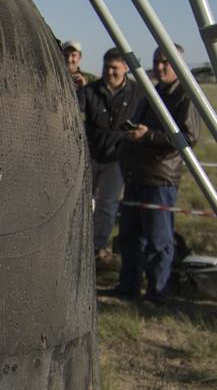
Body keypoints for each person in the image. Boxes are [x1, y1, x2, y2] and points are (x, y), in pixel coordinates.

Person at [109, 46, 200, 303]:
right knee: (129, 237)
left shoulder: (186, 95)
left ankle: (157, 292)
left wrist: (147, 135)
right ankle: (129, 286)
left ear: (179, 65)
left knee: (158, 241)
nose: (160, 67)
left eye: (166, 62)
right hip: (135, 174)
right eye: (157, 61)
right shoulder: (154, 92)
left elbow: (189, 137)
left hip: (160, 178)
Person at [78, 48, 139, 262]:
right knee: (82, 201)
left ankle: (97, 248)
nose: (110, 71)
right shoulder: (89, 91)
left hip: (117, 158)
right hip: (90, 155)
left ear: (125, 69)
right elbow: (76, 111)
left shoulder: (137, 93)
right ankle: (78, 242)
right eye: (106, 67)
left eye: (115, 68)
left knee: (107, 204)